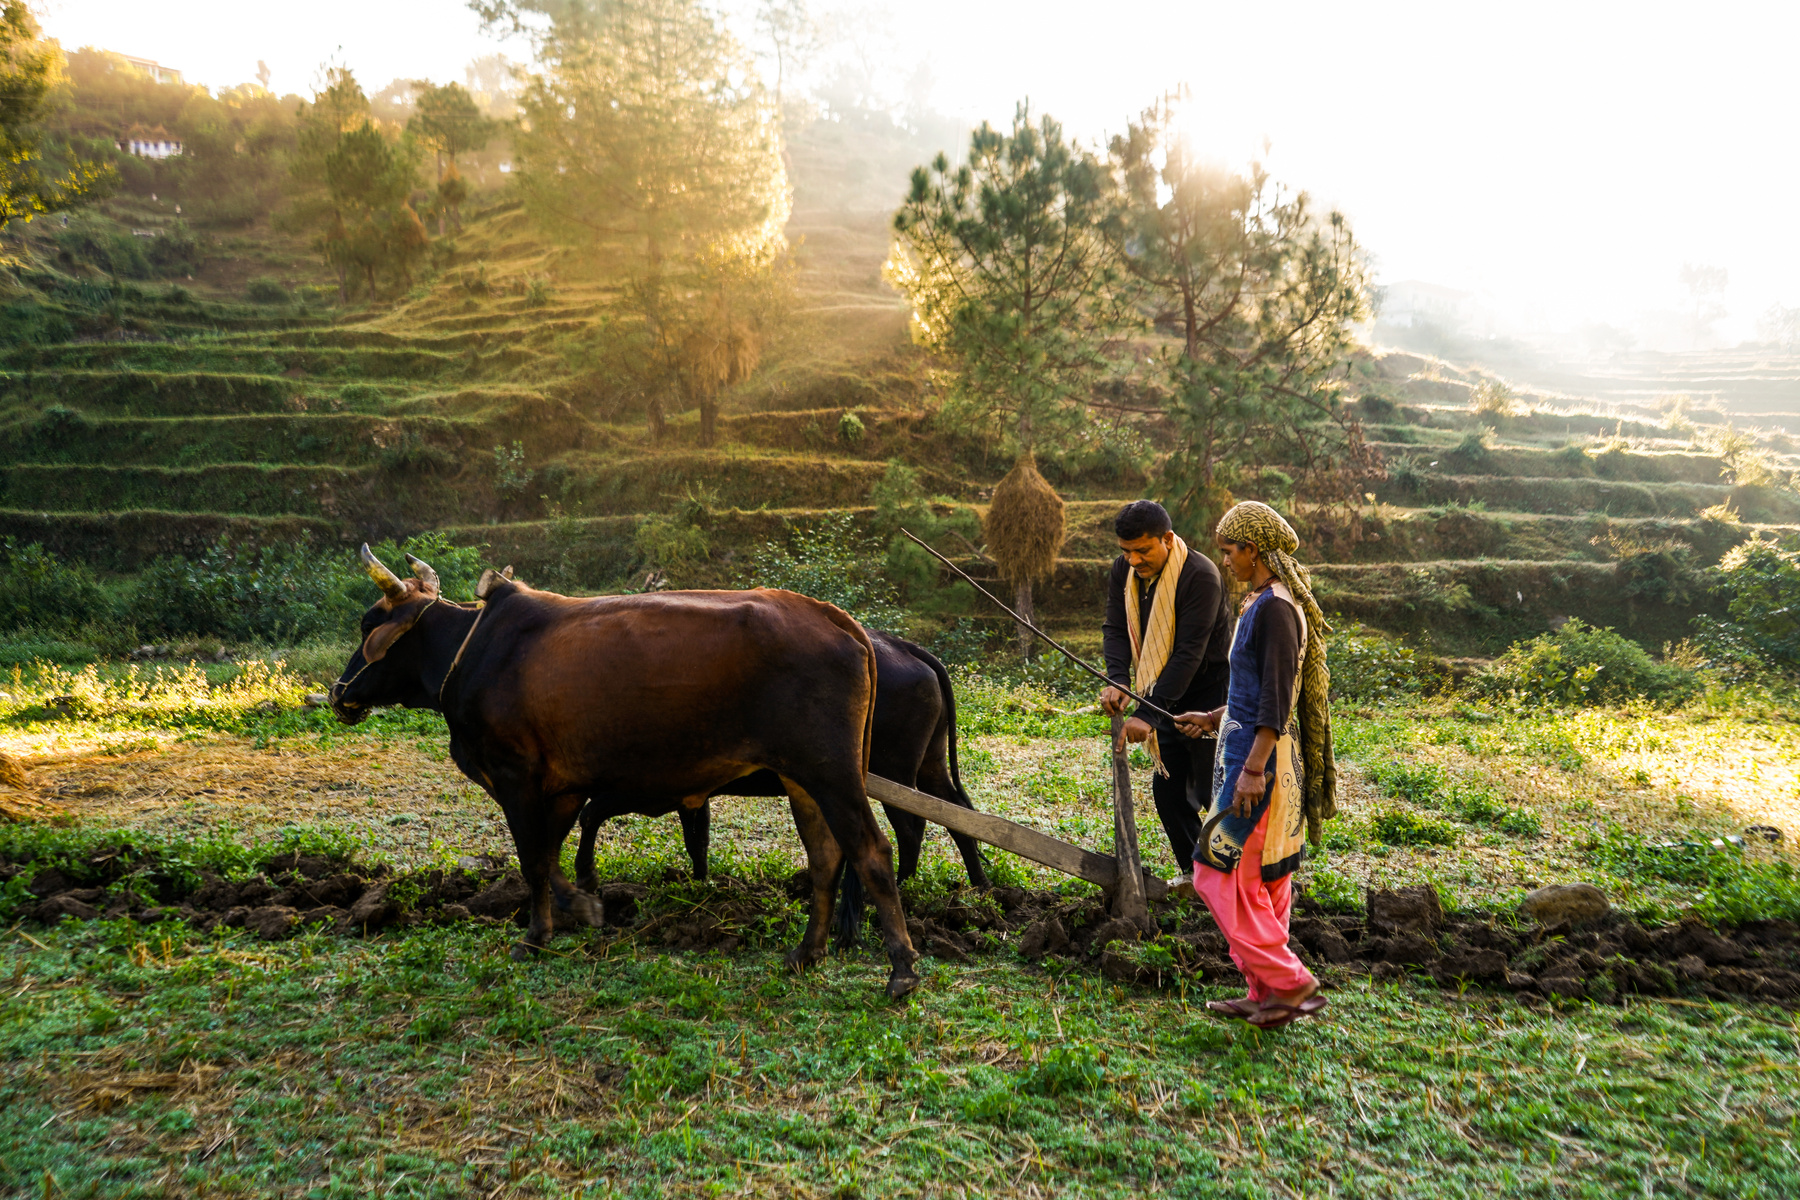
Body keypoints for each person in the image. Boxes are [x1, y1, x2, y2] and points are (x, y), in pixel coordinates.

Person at [1174, 501, 1337, 1030]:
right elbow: (1258, 690)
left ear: (1254, 550)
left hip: (1258, 766)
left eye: (1229, 551)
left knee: (1216, 871)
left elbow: (1276, 697)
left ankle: (1289, 983)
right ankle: (1266, 993)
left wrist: (1252, 769)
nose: (1225, 560)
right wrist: (1215, 715)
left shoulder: (1275, 609)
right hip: (1256, 754)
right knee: (1265, 880)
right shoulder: (1265, 603)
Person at [1099, 500, 1232, 888]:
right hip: (1159, 693)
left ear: (1168, 539)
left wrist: (1148, 714)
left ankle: (1247, 878)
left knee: (1215, 789)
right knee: (1170, 791)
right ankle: (1199, 877)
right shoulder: (1124, 571)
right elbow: (1115, 626)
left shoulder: (1200, 576)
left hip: (1209, 694)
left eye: (1143, 550)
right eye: (1126, 551)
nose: (1134, 559)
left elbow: (1189, 653)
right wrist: (1118, 679)